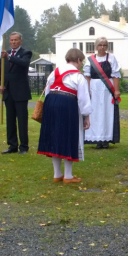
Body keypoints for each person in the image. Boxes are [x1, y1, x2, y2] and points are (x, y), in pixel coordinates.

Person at [37, 48, 92, 184]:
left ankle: (57, 174)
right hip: (67, 104)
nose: (81, 64)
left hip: (51, 103)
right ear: (78, 60)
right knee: (69, 137)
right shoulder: (78, 76)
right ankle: (68, 176)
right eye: (81, 61)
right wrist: (86, 116)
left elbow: (48, 90)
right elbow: (84, 98)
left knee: (55, 137)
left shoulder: (53, 73)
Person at [0, 32, 33, 154]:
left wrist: (9, 57)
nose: (13, 42)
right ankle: (12, 146)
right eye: (11, 40)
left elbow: (24, 63)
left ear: (20, 41)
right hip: (8, 92)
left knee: (22, 120)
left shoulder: (25, 53)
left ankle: (24, 147)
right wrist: (0, 85)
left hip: (21, 92)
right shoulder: (4, 55)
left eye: (16, 40)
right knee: (10, 120)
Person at [83, 37, 121, 149]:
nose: (102, 47)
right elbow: (87, 77)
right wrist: (87, 91)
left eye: (104, 45)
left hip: (107, 90)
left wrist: (117, 90)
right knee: (94, 114)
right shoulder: (90, 60)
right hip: (94, 89)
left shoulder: (111, 58)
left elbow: (115, 75)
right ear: (96, 46)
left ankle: (106, 139)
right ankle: (96, 138)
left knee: (107, 112)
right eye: (100, 45)